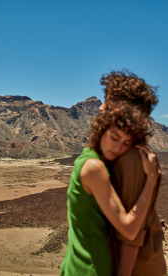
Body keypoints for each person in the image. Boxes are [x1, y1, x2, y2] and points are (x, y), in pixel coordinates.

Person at [60, 101, 158, 276]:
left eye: (126, 143)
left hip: (74, 265)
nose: (118, 148)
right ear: (102, 129)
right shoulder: (94, 168)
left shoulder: (86, 157)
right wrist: (151, 179)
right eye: (114, 137)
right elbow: (128, 229)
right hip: (91, 268)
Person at [100, 70, 167, 276]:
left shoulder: (133, 159)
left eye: (107, 101)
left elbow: (132, 235)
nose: (101, 106)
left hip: (138, 268)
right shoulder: (123, 151)